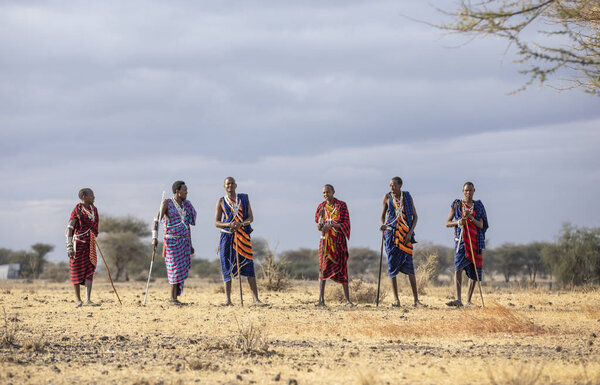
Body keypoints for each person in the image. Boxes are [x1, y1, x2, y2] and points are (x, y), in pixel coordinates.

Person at [214, 177, 264, 306]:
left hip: (242, 236)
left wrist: (241, 224)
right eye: (227, 184)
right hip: (227, 236)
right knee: (227, 267)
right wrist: (229, 224)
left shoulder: (243, 199)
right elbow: (216, 222)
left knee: (248, 265)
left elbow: (251, 218)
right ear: (224, 186)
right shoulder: (221, 201)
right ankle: (228, 300)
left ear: (236, 185)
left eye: (232, 183)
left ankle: (255, 299)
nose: (230, 186)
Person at [379, 177, 425, 307]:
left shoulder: (407, 197)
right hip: (391, 235)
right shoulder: (387, 197)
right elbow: (382, 216)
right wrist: (383, 225)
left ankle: (416, 300)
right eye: (390, 185)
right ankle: (396, 300)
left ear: (400, 185)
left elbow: (415, 217)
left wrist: (410, 233)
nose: (391, 188)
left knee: (410, 267)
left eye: (394, 185)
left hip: (405, 236)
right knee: (392, 266)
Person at [152, 181, 196, 305]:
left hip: (184, 241)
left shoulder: (186, 205)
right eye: (185, 190)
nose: (186, 193)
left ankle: (175, 298)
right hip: (171, 241)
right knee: (174, 268)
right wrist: (154, 238)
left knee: (181, 269)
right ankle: (172, 298)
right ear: (177, 191)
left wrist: (191, 244)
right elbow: (156, 221)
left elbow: (187, 225)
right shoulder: (167, 203)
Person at [445, 181, 489, 307]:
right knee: (458, 268)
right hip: (461, 241)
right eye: (466, 191)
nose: (468, 193)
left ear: (474, 191)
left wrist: (471, 218)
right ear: (463, 191)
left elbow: (481, 225)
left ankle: (468, 300)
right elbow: (447, 223)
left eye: (470, 190)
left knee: (474, 271)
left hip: (475, 242)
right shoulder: (457, 204)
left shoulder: (479, 206)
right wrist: (459, 222)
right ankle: (458, 299)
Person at [315, 184, 353, 307]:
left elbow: (346, 223)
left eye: (328, 192)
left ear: (333, 192)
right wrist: (321, 217)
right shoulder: (321, 207)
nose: (326, 194)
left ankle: (348, 300)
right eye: (324, 193)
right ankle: (321, 300)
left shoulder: (341, 205)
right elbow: (319, 227)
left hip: (339, 242)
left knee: (343, 269)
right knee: (323, 269)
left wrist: (332, 225)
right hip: (325, 242)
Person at [65, 188, 100, 307]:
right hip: (78, 244)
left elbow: (95, 228)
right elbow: (70, 228)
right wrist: (69, 246)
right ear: (84, 197)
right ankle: (78, 300)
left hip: (90, 244)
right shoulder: (77, 210)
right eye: (91, 195)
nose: (94, 197)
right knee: (76, 270)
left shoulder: (94, 210)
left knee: (90, 270)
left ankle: (88, 300)